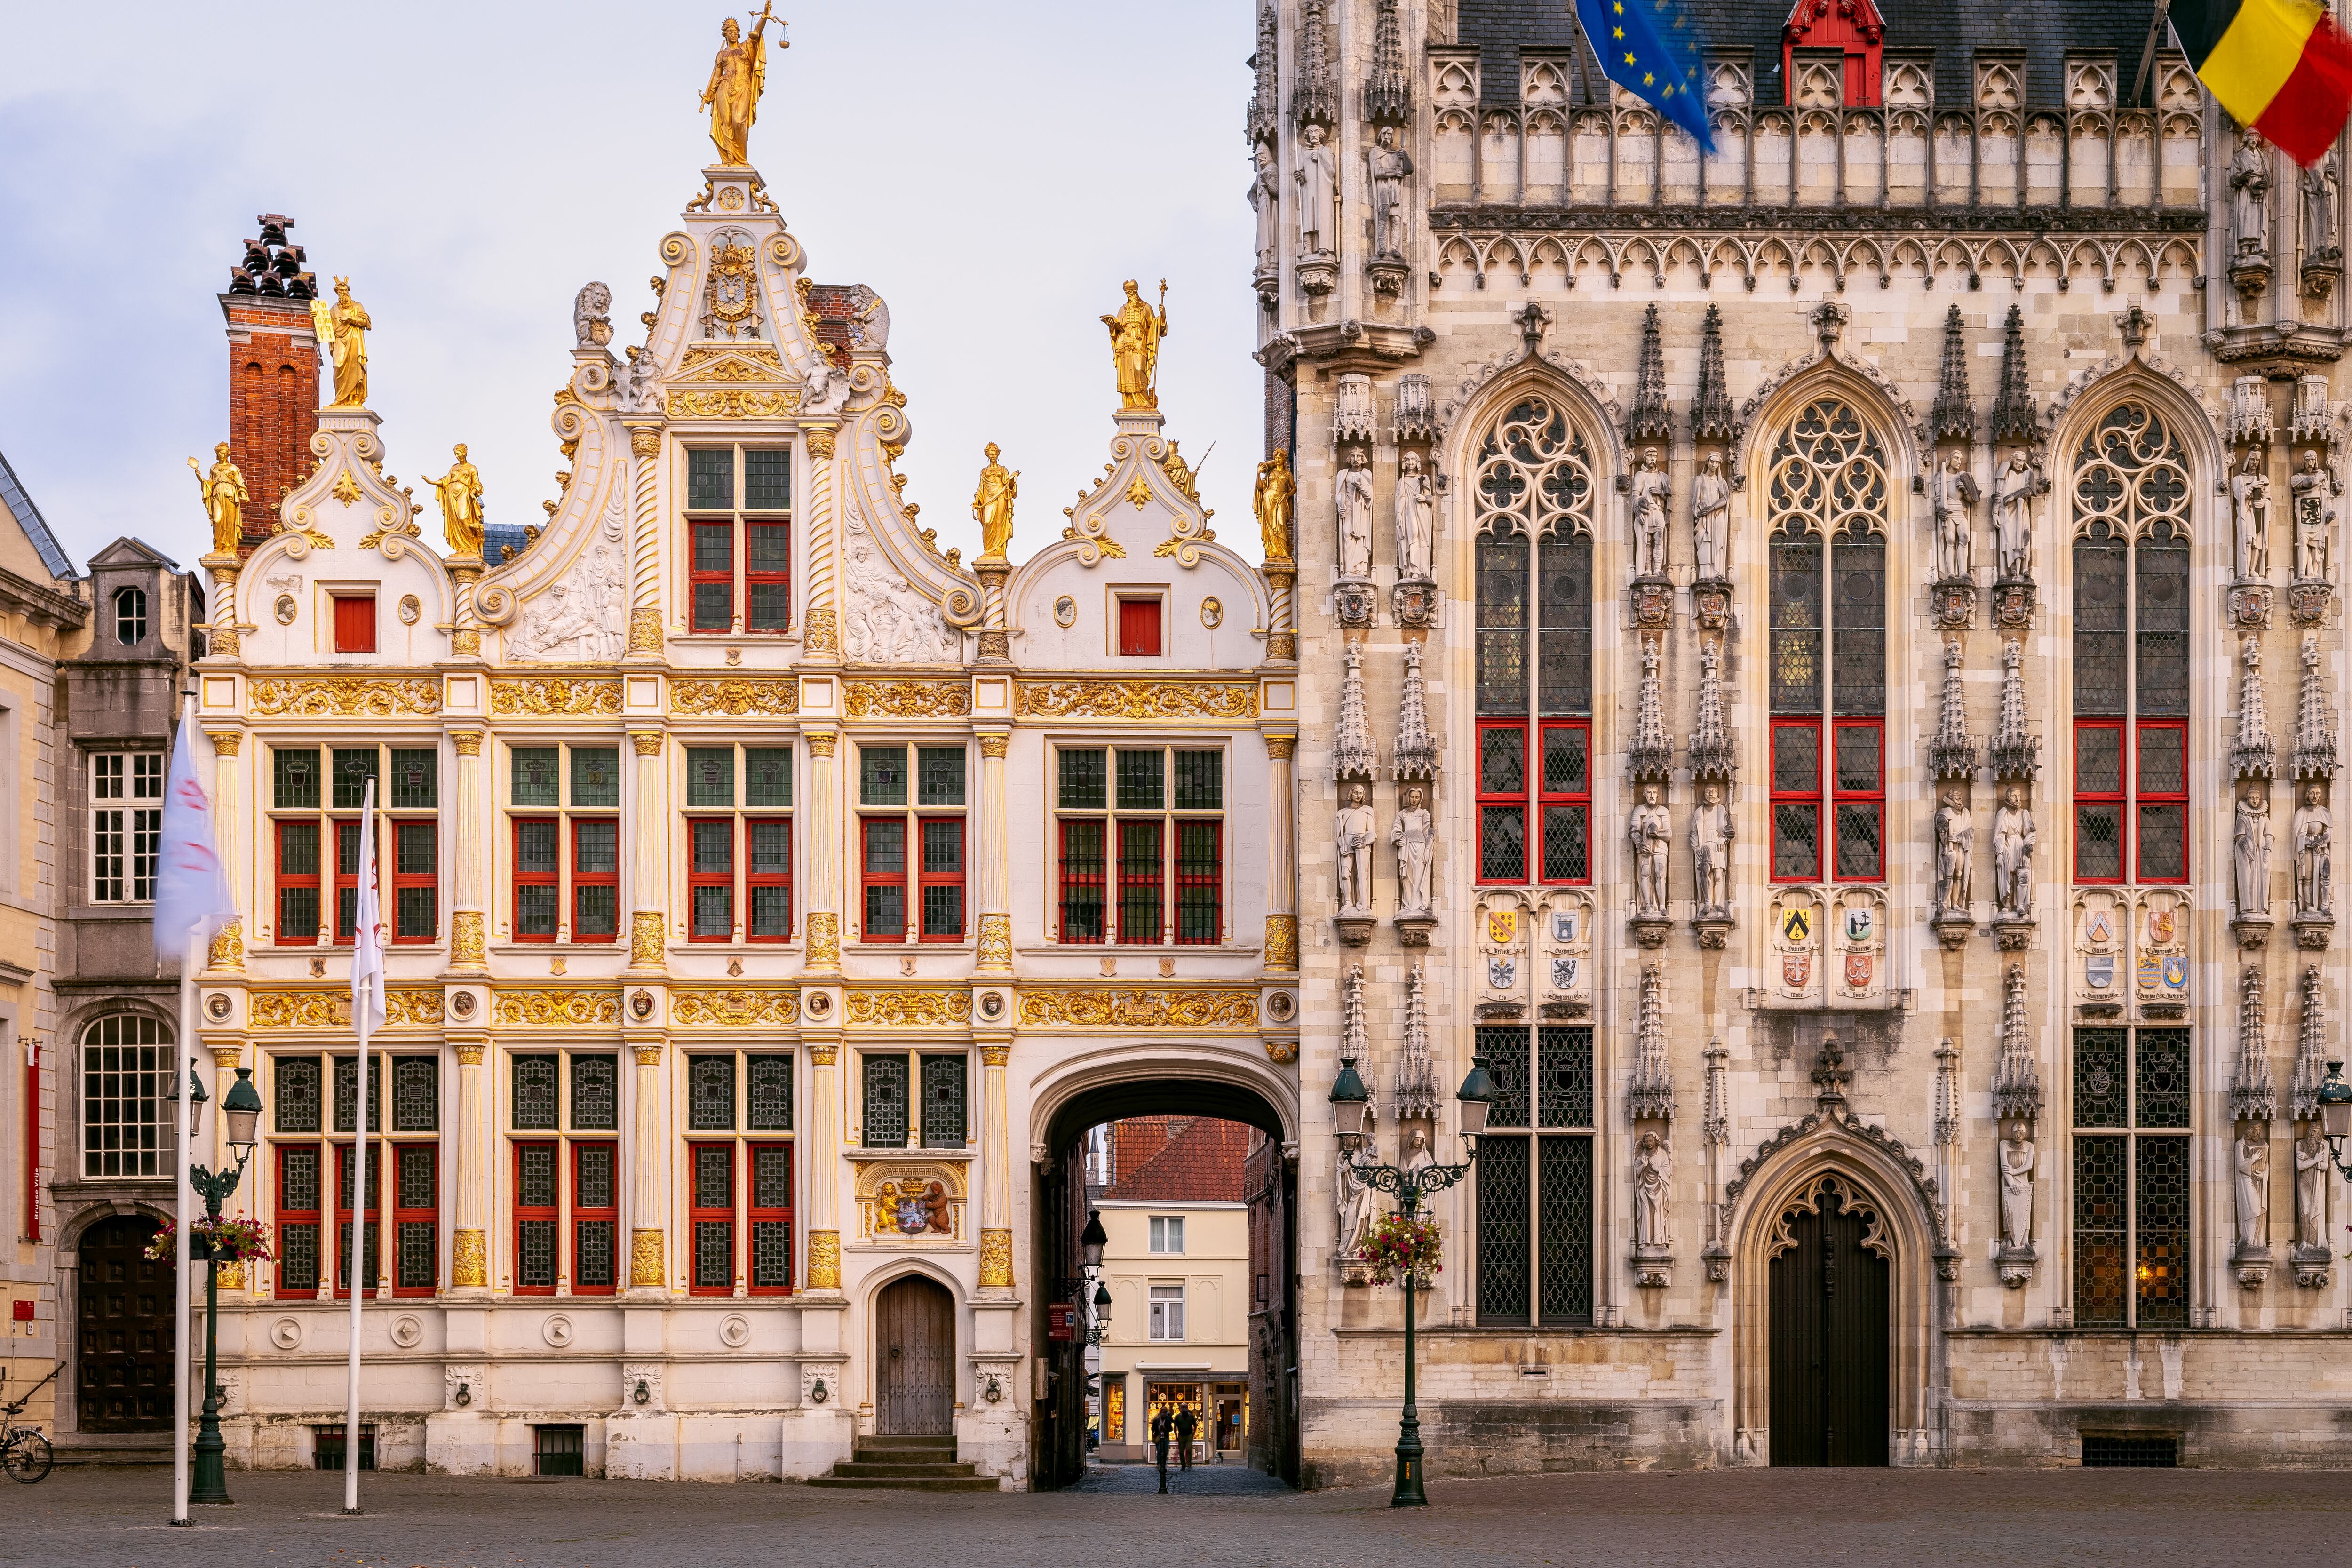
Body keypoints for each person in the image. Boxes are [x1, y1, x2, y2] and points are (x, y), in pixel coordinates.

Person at [1151, 1403, 1174, 1492]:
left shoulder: (1168, 1420)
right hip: (1158, 1437)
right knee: (1160, 1451)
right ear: (1161, 1413)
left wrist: (1165, 1427)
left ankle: (1163, 1465)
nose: (1164, 1414)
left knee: (1165, 1451)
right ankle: (1160, 1464)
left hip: (1166, 1438)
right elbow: (1153, 1429)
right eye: (1163, 1412)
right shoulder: (1157, 1420)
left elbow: (1171, 1429)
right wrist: (1157, 1428)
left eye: (1165, 1412)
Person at [1173, 1402, 1199, 1472]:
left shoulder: (1191, 1416)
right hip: (1181, 1436)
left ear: (1187, 1408)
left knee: (1189, 1450)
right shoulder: (1178, 1417)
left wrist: (1193, 1434)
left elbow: (1195, 1426)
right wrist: (1176, 1435)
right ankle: (1183, 1465)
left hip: (1189, 1436)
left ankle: (1189, 1464)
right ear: (1181, 1409)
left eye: (1185, 1407)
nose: (1184, 1409)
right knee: (1181, 1451)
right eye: (1183, 1407)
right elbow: (1175, 1427)